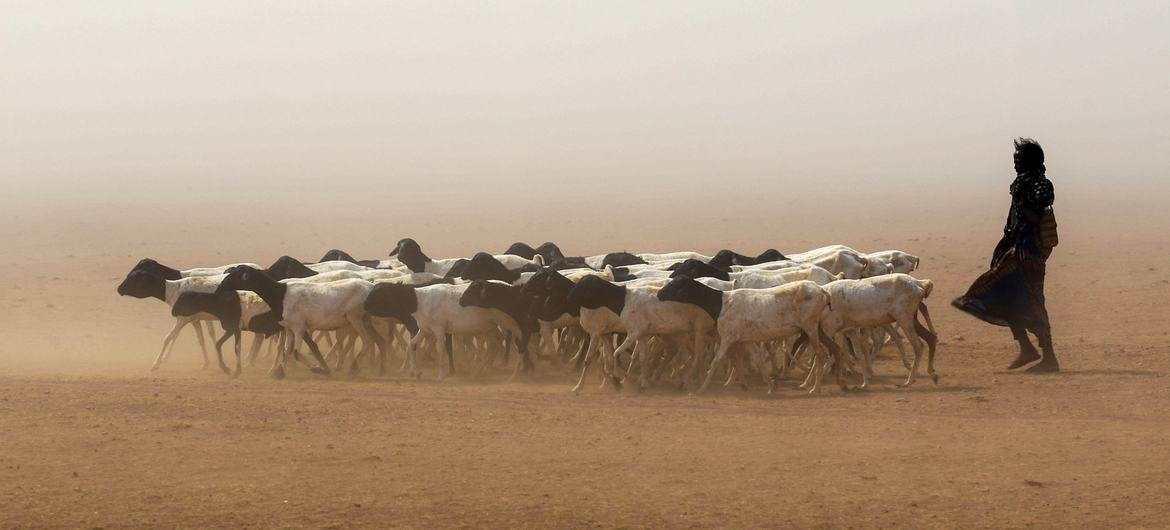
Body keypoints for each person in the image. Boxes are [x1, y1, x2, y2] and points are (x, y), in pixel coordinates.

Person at [953, 138, 1059, 372]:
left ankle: (1049, 357)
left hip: (1029, 250)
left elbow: (1035, 217)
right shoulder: (1022, 184)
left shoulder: (1039, 185)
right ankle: (1026, 347)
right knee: (1008, 296)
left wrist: (1022, 200)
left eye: (1018, 160)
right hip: (1015, 245)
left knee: (1032, 298)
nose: (1014, 165)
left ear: (1028, 162)